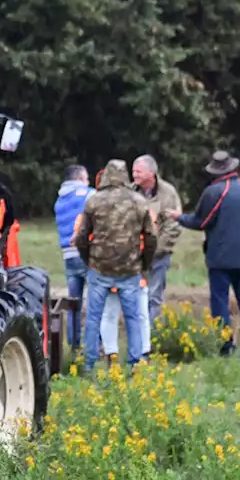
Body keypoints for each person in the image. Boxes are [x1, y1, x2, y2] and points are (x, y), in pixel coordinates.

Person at [167, 150, 240, 355]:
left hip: (220, 259)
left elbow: (201, 221)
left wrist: (178, 217)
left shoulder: (214, 192)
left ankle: (225, 345)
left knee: (220, 302)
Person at [75, 159, 156, 373]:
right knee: (133, 317)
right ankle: (135, 363)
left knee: (93, 317)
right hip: (129, 270)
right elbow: (151, 236)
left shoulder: (94, 201)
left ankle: (89, 365)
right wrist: (143, 263)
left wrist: (88, 260)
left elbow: (82, 237)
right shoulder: (139, 201)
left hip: (99, 269)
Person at [131, 154, 181, 323]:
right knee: (136, 297)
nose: (135, 175)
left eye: (138, 171)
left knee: (154, 296)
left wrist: (156, 250)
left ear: (151, 173)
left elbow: (173, 225)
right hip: (135, 258)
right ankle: (138, 338)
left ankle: (153, 338)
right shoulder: (130, 193)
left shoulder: (168, 193)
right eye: (133, 171)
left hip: (159, 256)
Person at [54, 164, 94, 350]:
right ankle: (94, 344)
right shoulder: (88, 195)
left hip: (67, 256)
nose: (88, 182)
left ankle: (73, 344)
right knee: (95, 301)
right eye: (86, 179)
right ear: (79, 179)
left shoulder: (60, 200)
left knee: (73, 303)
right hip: (86, 253)